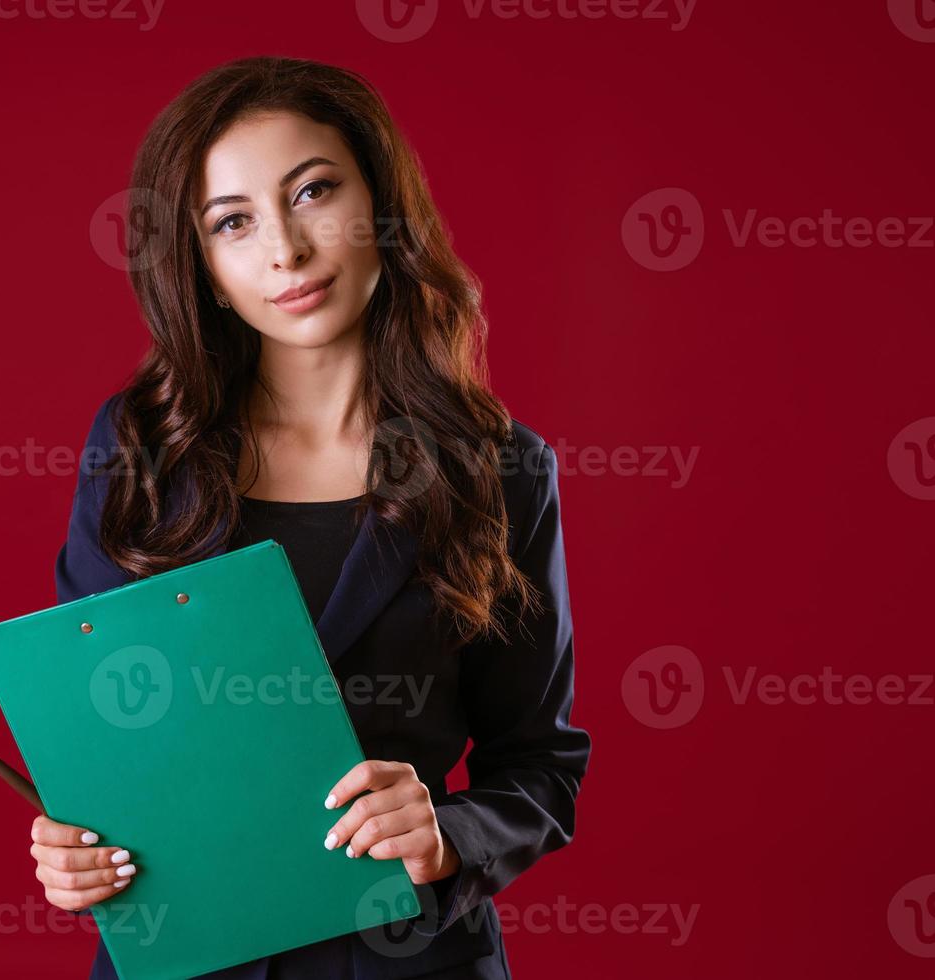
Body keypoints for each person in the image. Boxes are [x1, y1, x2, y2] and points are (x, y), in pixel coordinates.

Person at [31, 55, 591, 980]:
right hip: (187, 955)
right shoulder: (139, 447)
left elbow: (540, 765)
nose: (285, 251)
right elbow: (96, 736)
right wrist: (72, 842)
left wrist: (447, 833)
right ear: (203, 267)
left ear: (383, 209)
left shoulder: (502, 468)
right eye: (234, 223)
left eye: (315, 192)